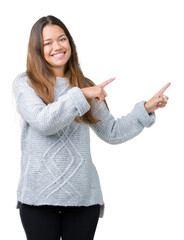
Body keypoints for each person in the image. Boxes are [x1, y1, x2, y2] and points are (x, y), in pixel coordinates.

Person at [13, 15, 171, 240]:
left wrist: (145, 109)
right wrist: (81, 94)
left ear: (70, 43)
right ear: (37, 49)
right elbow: (44, 122)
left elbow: (112, 131)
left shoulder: (85, 86)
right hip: (38, 199)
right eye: (48, 43)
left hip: (83, 199)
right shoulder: (25, 84)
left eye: (62, 39)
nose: (57, 46)